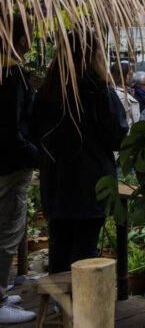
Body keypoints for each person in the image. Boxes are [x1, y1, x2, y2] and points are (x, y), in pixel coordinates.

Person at [32, 30, 128, 274]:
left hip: (57, 182)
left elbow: (33, 134)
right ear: (93, 54)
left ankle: (60, 296)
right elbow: (118, 136)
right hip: (92, 183)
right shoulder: (100, 92)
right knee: (85, 252)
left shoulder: (46, 93)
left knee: (59, 249)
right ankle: (82, 296)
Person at [0, 15, 39, 324]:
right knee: (8, 229)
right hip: (10, 166)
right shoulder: (11, 76)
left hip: (9, 162)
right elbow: (10, 130)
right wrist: (35, 155)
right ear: (23, 40)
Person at [110, 61, 141, 129]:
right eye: (130, 74)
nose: (132, 76)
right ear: (121, 75)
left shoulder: (124, 91)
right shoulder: (120, 95)